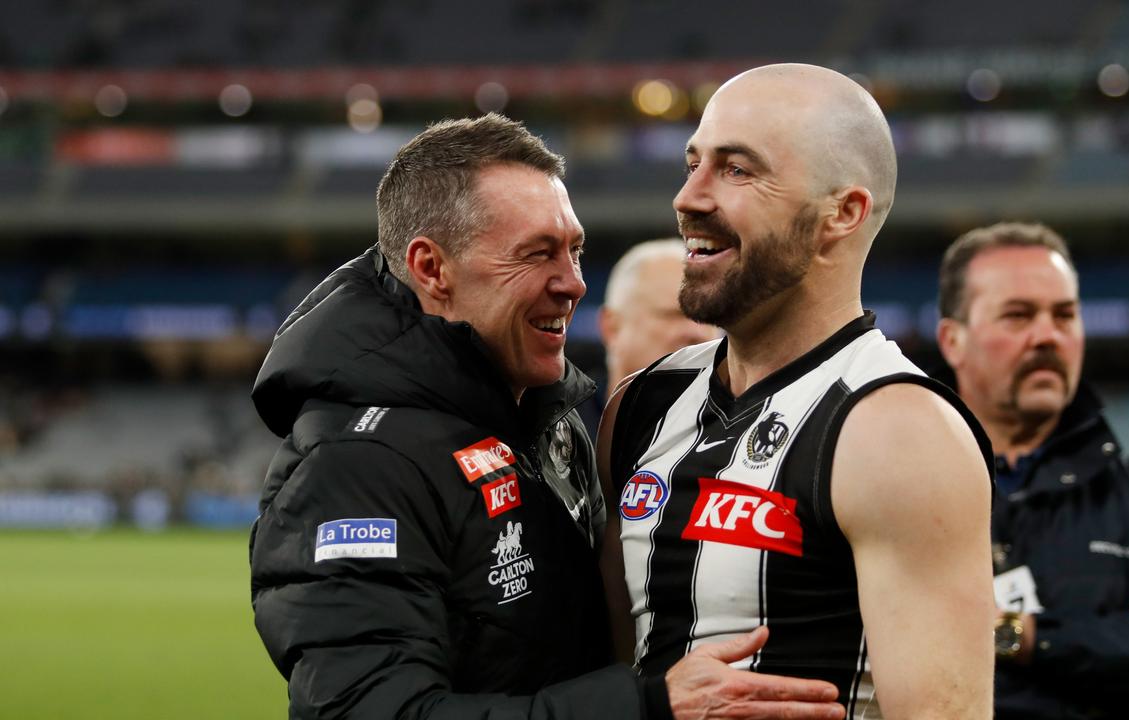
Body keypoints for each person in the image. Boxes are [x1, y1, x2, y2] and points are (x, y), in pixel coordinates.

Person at [249, 113, 845, 719]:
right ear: (432, 269)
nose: (575, 283)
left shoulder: (549, 422)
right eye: (537, 254)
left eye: (575, 250)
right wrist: (647, 709)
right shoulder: (358, 464)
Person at [598, 64, 996, 720]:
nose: (688, 197)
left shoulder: (899, 431)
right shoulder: (642, 404)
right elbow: (611, 673)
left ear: (842, 213)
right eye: (693, 163)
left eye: (737, 170)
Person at [934, 221, 1129, 718]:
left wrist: (1019, 636)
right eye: (1018, 316)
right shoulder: (901, 480)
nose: (1047, 336)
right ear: (953, 341)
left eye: (1065, 315)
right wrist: (1118, 638)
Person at [599, 239, 720, 396]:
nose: (699, 333)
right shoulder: (562, 416)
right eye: (673, 316)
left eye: (708, 317)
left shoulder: (752, 416)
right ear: (613, 328)